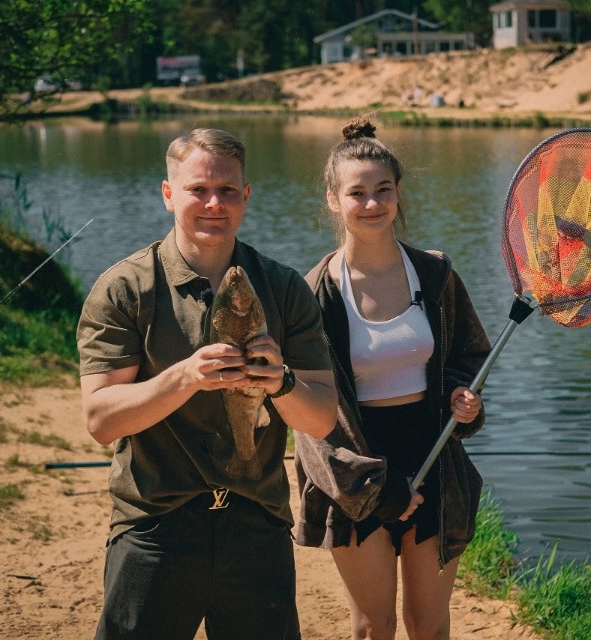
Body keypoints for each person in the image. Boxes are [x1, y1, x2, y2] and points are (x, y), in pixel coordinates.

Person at [76, 128, 338, 640]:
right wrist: (184, 377)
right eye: (198, 189)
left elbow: (322, 419)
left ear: (246, 196)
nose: (214, 202)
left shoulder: (285, 289)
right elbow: (101, 422)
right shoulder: (125, 288)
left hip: (257, 526)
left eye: (228, 190)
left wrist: (282, 385)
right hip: (155, 526)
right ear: (169, 194)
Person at [293, 117, 492, 640]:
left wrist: (461, 398)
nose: (372, 203)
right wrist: (372, 491)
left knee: (428, 626)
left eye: (383, 190)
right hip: (354, 472)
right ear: (334, 200)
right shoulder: (313, 294)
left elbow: (470, 355)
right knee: (371, 626)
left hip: (433, 460)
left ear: (399, 194)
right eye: (357, 193)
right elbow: (310, 420)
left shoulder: (435, 273)